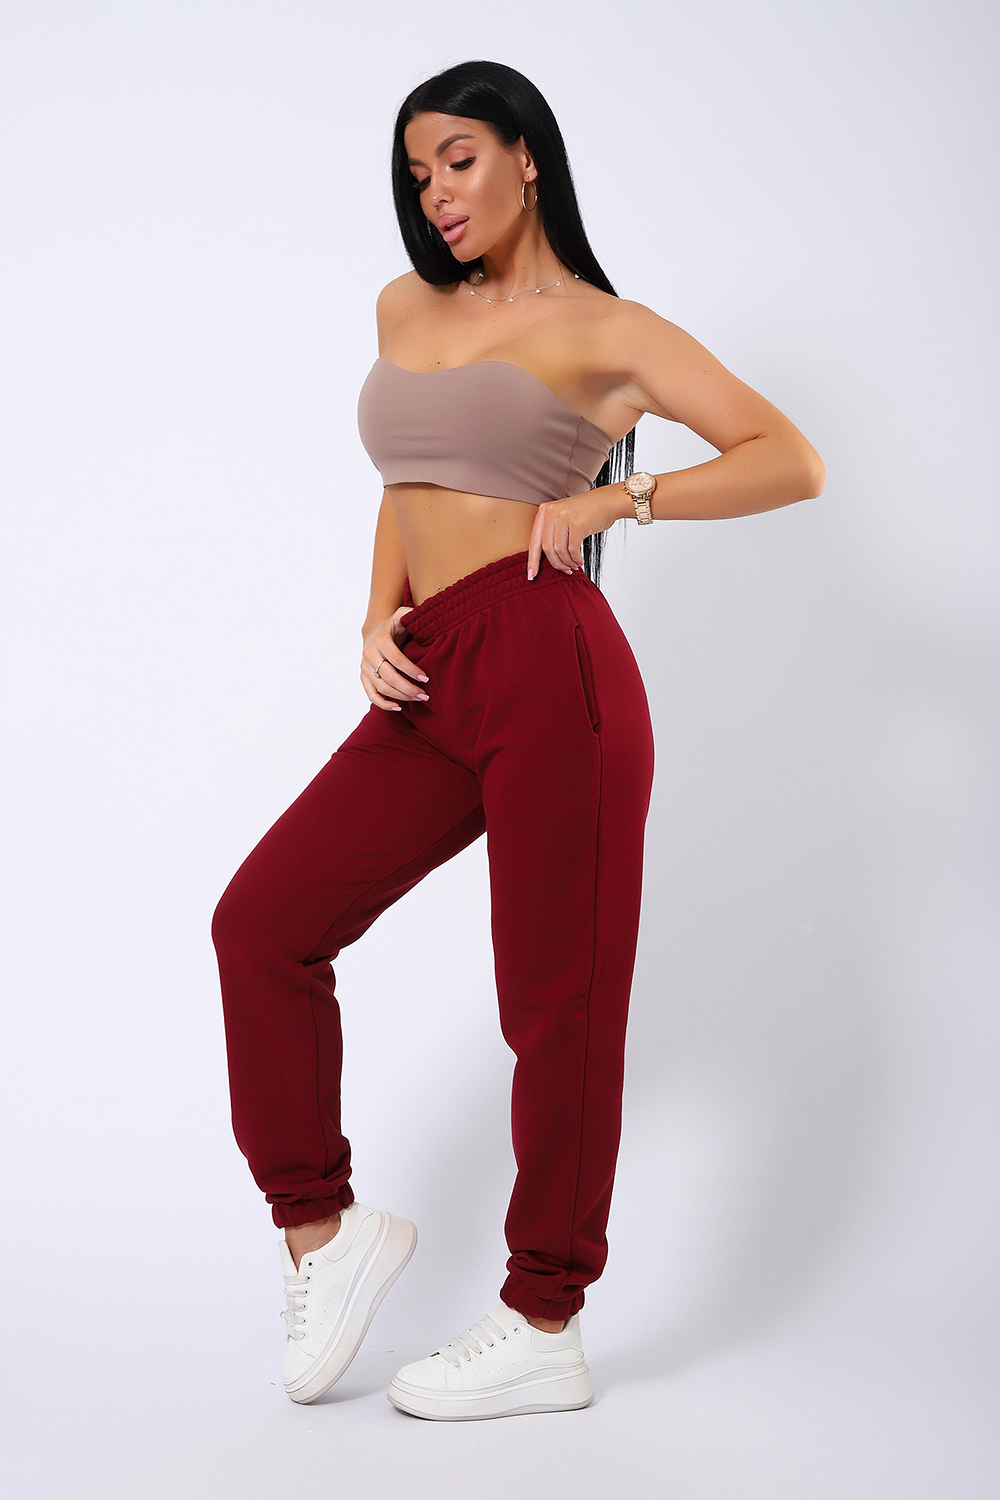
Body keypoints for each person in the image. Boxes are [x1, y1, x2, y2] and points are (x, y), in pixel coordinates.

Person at [211, 58, 824, 1422]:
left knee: (558, 1005)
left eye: (460, 159)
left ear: (527, 156)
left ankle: (547, 1314)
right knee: (262, 924)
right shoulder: (406, 306)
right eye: (418, 172)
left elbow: (788, 456)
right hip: (432, 675)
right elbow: (407, 481)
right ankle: (323, 1233)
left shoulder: (610, 329)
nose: (436, 193)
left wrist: (622, 501)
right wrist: (375, 614)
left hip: (553, 662)